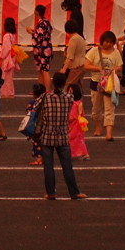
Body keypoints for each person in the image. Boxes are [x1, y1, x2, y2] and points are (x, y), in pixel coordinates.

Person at [33, 72, 86, 200]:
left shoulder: (45, 97)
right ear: (64, 83)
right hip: (62, 135)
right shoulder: (69, 98)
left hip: (47, 135)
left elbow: (34, 109)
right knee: (67, 165)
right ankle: (74, 192)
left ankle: (51, 192)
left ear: (52, 82)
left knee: (48, 166)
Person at [85, 31, 122, 141]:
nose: (108, 44)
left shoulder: (116, 53)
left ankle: (109, 133)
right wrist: (98, 69)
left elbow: (120, 66)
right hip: (96, 83)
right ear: (102, 41)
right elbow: (86, 65)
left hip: (110, 84)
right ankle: (98, 126)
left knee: (109, 108)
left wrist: (117, 69)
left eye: (111, 42)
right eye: (106, 42)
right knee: (96, 108)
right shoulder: (94, 51)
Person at [0, 18, 20, 98]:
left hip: (7, 56)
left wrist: (1, 57)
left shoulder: (6, 36)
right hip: (12, 56)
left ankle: (4, 92)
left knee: (5, 74)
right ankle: (10, 92)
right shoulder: (13, 35)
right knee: (10, 75)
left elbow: (6, 48)